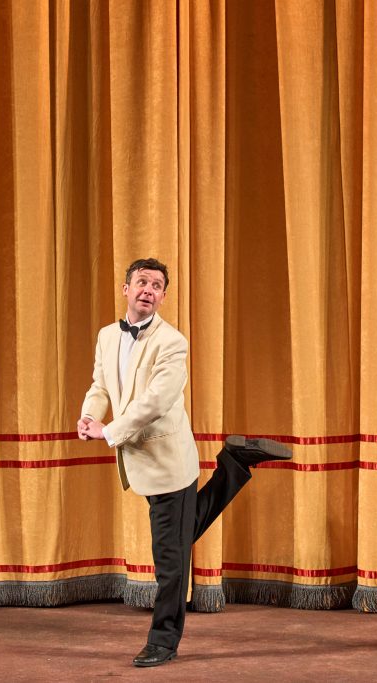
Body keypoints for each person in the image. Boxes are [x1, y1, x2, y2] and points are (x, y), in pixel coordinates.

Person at [78, 257, 291, 668]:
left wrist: (109, 432)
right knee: (178, 537)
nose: (148, 290)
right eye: (142, 282)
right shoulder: (107, 335)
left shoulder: (173, 342)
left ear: (162, 296)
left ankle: (163, 640)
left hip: (168, 462)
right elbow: (100, 383)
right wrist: (90, 414)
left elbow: (155, 402)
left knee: (171, 561)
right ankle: (235, 463)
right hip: (141, 461)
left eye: (157, 286)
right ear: (126, 288)